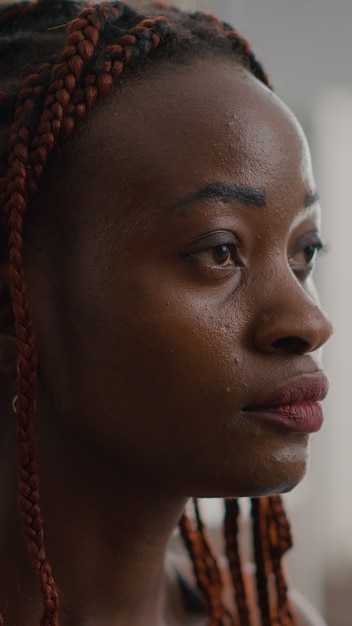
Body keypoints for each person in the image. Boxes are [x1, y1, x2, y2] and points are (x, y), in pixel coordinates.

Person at [0, 1, 333, 625]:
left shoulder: (273, 617)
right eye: (219, 250)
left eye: (303, 252)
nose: (309, 323)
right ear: (11, 310)